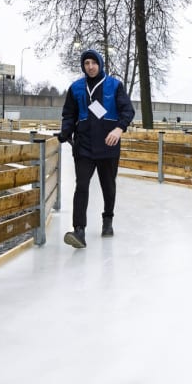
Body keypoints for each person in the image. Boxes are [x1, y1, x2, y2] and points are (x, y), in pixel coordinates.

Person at [58, 49, 135, 248]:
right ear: (83, 66)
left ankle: (107, 220)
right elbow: (69, 114)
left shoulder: (114, 85)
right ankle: (79, 231)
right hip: (84, 146)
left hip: (108, 145)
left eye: (93, 62)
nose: (90, 66)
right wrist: (66, 131)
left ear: (100, 64)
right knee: (81, 186)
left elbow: (128, 111)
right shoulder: (76, 88)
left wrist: (119, 129)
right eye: (87, 63)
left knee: (108, 186)